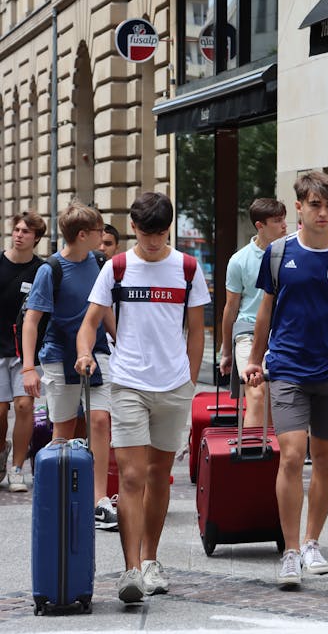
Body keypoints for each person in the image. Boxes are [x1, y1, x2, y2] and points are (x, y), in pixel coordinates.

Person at [75, 192, 210, 605]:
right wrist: (84, 353)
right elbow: (90, 322)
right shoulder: (117, 267)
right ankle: (131, 570)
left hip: (172, 387)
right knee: (131, 477)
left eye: (161, 234)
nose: (153, 243)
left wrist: (188, 380)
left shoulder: (187, 268)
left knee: (159, 475)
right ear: (133, 227)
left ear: (168, 230)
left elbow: (197, 330)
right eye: (146, 234)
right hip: (128, 382)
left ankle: (151, 558)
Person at [243, 170, 328, 588]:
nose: (323, 213)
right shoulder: (280, 253)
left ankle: (313, 541)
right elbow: (265, 310)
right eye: (315, 205)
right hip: (286, 369)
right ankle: (290, 550)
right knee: (290, 454)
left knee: (323, 458)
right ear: (298, 206)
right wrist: (254, 358)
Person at [22, 202, 117, 530]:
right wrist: (28, 367)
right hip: (59, 356)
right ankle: (59, 492)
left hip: (98, 352)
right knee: (62, 428)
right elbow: (32, 320)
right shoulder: (51, 269)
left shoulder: (100, 262)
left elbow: (104, 311)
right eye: (98, 231)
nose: (103, 236)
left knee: (100, 421)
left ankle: (99, 500)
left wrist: (121, 342)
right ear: (82, 235)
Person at [219, 198, 287, 426]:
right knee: (257, 394)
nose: (284, 225)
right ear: (260, 226)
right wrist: (226, 351)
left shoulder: (292, 254)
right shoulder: (239, 261)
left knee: (278, 400)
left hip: (283, 332)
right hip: (247, 330)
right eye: (277, 221)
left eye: (284, 219)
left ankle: (273, 457)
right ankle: (253, 458)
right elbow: (231, 307)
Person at [0, 211, 47, 491]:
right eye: (16, 230)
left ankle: (17, 468)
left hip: (25, 351)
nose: (19, 235)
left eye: (26, 232)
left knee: (24, 405)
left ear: (36, 238)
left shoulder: (41, 270)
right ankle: (1, 453)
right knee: (0, 411)